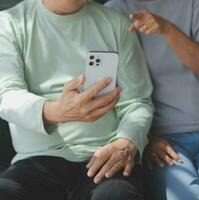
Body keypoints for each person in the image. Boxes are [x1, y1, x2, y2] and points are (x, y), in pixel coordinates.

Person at [0, 0, 154, 200]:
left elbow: (137, 101)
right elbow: (6, 95)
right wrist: (55, 111)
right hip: (36, 159)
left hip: (105, 156)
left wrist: (126, 142)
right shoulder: (9, 23)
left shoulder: (117, 24)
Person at [105, 0, 199, 199]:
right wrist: (144, 139)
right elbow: (111, 93)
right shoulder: (113, 11)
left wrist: (166, 28)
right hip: (161, 140)